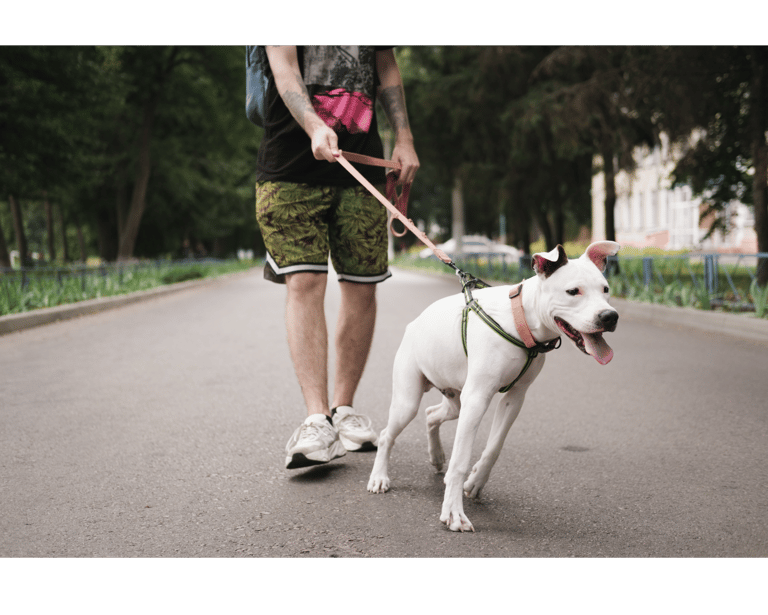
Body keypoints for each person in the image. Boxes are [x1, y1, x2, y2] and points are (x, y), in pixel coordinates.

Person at [253, 46, 419, 469]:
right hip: (290, 166)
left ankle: (343, 410)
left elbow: (385, 65)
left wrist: (404, 138)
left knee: (362, 286)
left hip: (362, 168)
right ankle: (317, 419)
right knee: (305, 281)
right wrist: (314, 125)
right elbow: (284, 68)